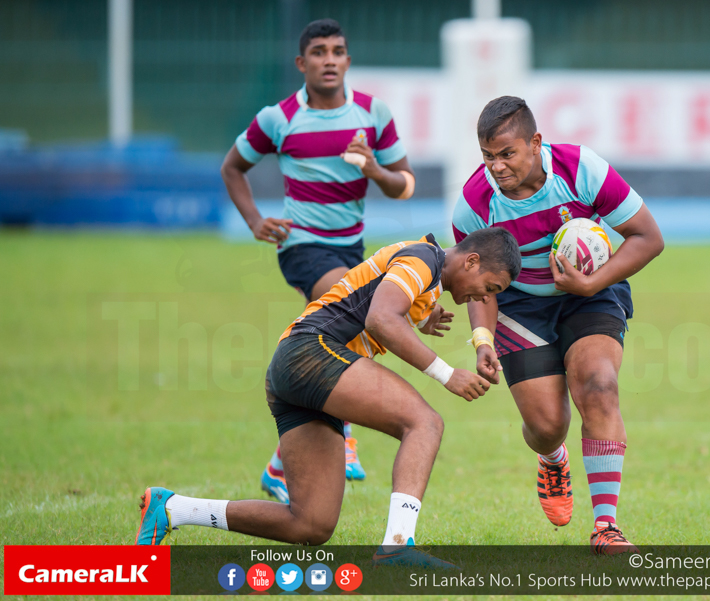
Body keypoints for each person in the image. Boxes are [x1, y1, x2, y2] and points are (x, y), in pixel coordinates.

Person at [135, 228, 521, 566]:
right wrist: (447, 374)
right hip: (311, 351)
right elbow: (380, 319)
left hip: (295, 367)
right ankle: (397, 545)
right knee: (425, 423)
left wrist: (423, 316)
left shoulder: (427, 272)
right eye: (489, 288)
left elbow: (383, 302)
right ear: (471, 261)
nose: (482, 297)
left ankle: (172, 509)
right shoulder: (423, 258)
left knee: (310, 524)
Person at [452, 97, 664, 555]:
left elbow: (649, 237)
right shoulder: (474, 204)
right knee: (547, 425)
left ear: (535, 143)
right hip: (519, 305)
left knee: (599, 385)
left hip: (591, 291)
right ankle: (552, 458)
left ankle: (606, 527)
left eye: (507, 154)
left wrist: (591, 283)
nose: (497, 167)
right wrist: (482, 339)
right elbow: (478, 284)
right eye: (488, 156)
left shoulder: (581, 170)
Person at [220, 19, 415, 493]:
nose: (330, 60)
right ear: (301, 62)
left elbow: (405, 185)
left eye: (338, 51)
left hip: (350, 249)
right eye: (319, 51)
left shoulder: (372, 113)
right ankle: (346, 434)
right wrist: (255, 221)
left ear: (348, 60)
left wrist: (374, 169)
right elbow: (232, 168)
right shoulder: (279, 118)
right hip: (302, 246)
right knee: (361, 319)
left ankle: (279, 465)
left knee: (335, 337)